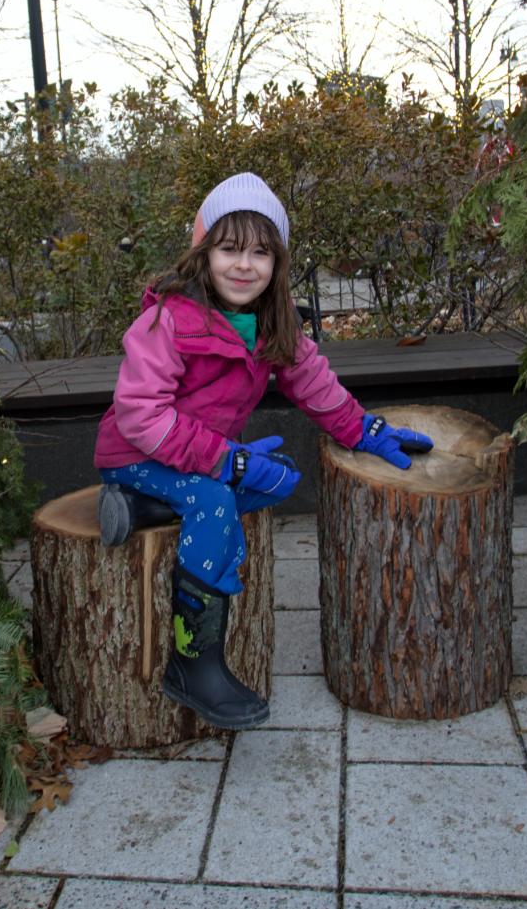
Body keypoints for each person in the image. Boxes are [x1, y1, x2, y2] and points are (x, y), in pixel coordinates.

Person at [92, 172, 433, 729]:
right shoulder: (167, 320)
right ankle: (192, 662)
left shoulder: (271, 321)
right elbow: (141, 415)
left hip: (196, 454)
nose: (244, 265)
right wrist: (228, 462)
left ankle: (137, 510)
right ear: (203, 251)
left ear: (277, 262)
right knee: (213, 502)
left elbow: (313, 383)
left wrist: (363, 431)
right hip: (135, 452)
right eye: (229, 249)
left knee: (284, 474)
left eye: (260, 252)